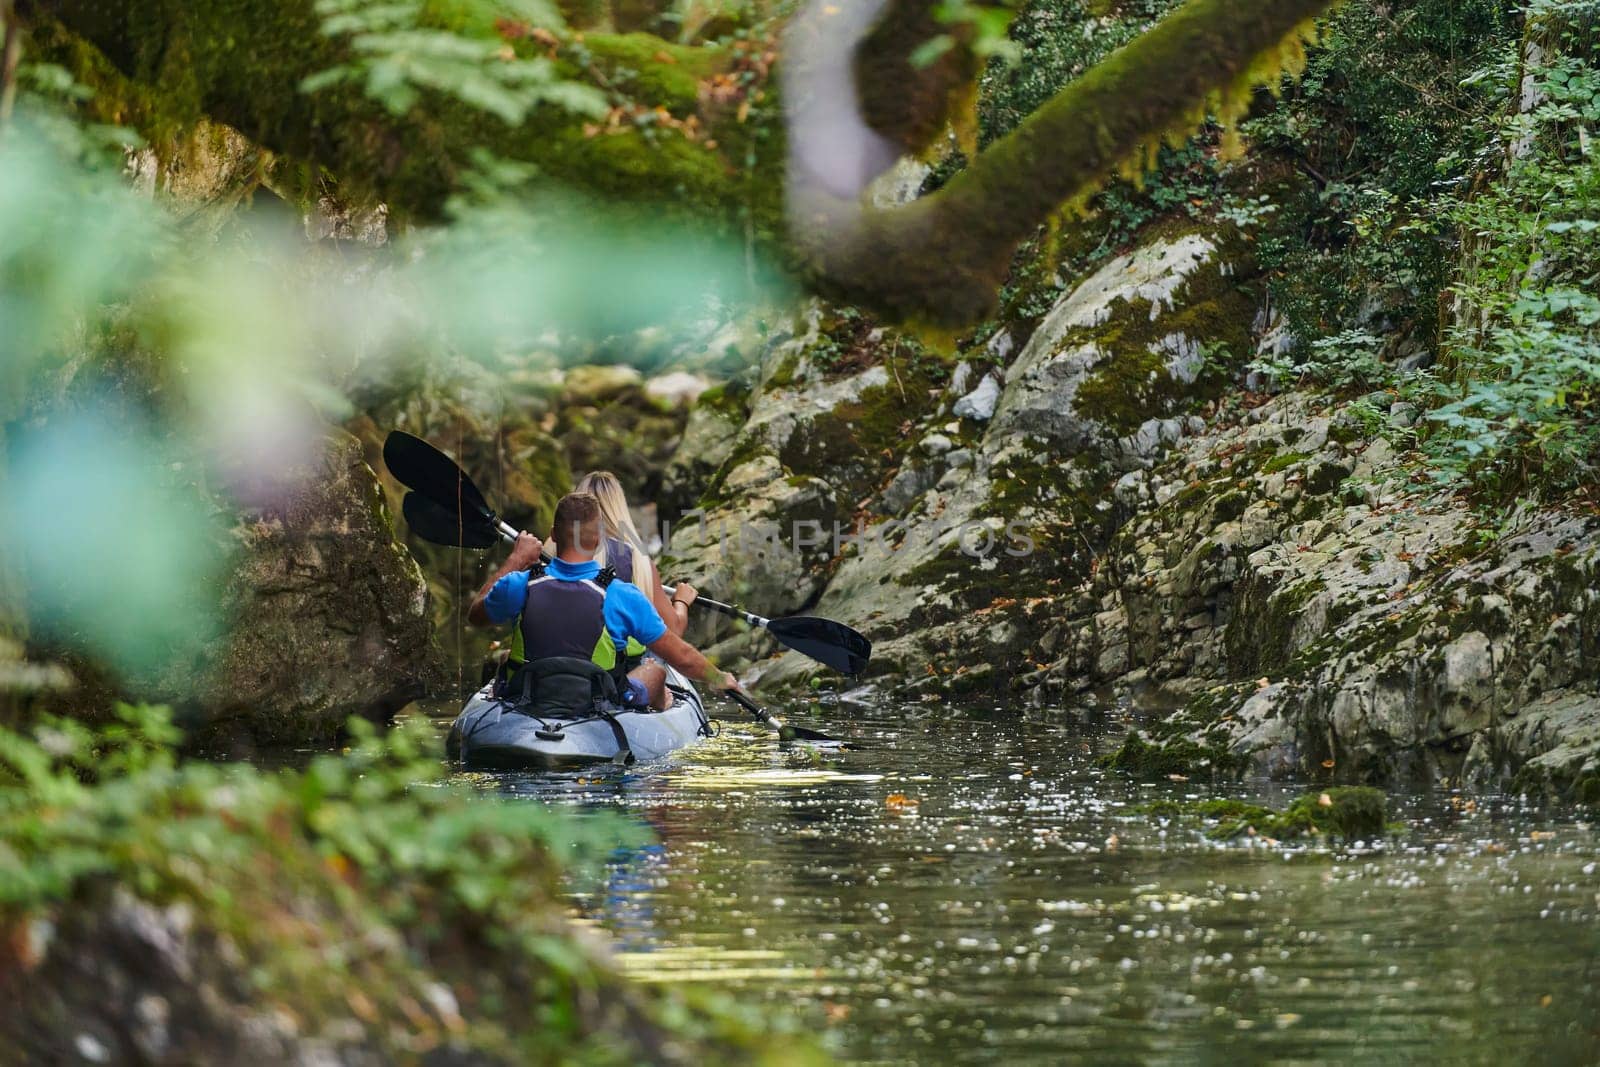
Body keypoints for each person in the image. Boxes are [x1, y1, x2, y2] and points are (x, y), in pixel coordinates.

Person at [467, 492, 740, 710]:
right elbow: (681, 656)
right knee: (654, 670)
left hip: (528, 697)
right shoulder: (622, 595)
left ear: (552, 534)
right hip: (596, 703)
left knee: (503, 659)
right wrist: (719, 678)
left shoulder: (519, 584)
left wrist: (516, 560)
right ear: (598, 539)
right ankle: (661, 711)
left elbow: (475, 616)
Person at [575, 469, 693, 637]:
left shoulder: (555, 546)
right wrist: (682, 600)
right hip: (617, 660)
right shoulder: (637, 560)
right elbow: (673, 630)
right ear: (619, 507)